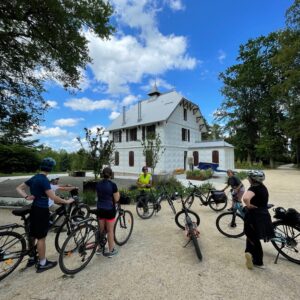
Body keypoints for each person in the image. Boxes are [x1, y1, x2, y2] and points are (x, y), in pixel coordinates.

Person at [16, 157, 74, 272]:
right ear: (50, 169)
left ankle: (32, 257)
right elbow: (53, 197)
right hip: (42, 209)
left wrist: (27, 197)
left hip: (34, 208)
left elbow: (19, 188)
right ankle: (42, 263)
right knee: (41, 237)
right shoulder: (44, 180)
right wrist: (67, 201)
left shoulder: (34, 177)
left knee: (32, 234)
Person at [242, 170, 274, 270]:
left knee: (253, 237)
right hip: (263, 214)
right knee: (251, 235)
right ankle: (249, 252)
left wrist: (248, 205)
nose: (248, 179)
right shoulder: (263, 187)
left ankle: (258, 262)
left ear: (253, 179)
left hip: (254, 216)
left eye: (249, 177)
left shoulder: (253, 188)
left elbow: (246, 198)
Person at [96, 167, 120, 257]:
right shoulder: (113, 185)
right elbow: (116, 199)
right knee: (110, 231)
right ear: (111, 174)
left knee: (101, 230)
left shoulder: (98, 184)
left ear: (103, 174)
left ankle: (100, 248)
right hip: (109, 210)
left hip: (100, 209)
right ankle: (111, 250)